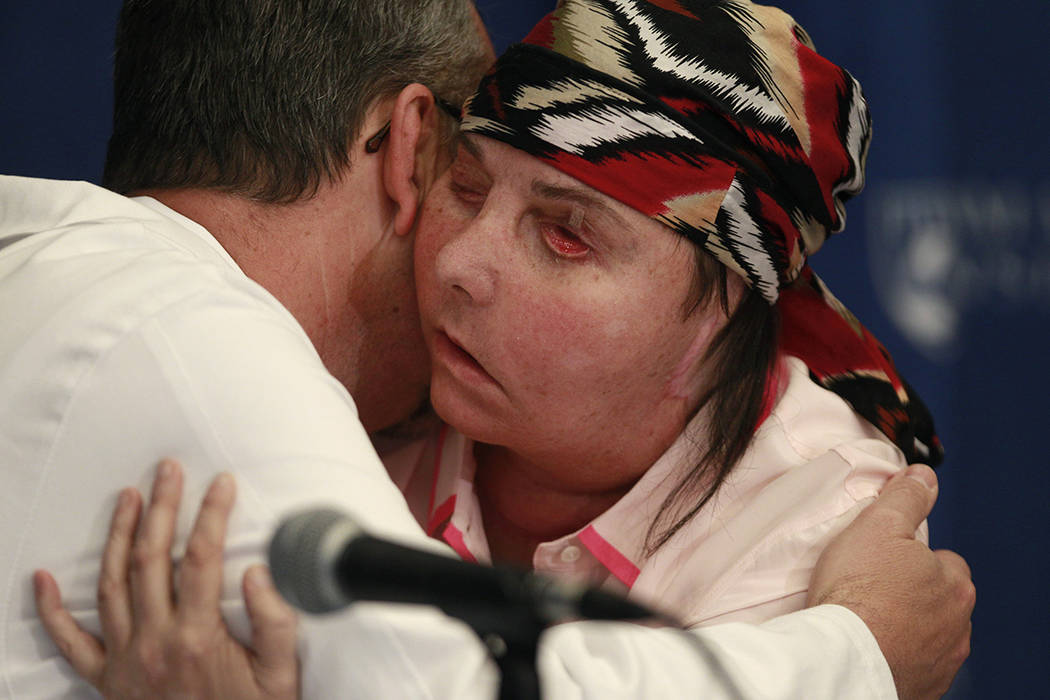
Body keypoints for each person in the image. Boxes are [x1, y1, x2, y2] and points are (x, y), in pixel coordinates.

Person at [4, 0, 971, 698]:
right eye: (463, 188)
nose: (460, 262)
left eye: (565, 235)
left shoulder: (825, 521)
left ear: (726, 307)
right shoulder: (367, 416)